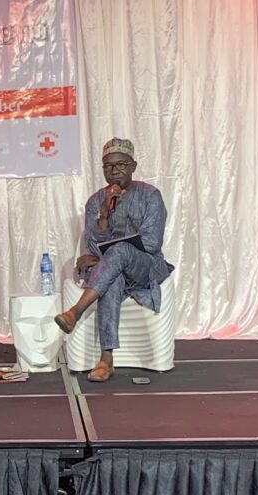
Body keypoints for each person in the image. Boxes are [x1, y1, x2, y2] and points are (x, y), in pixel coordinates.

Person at [54, 137, 174, 382]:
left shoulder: (150, 196)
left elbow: (151, 242)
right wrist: (105, 213)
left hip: (147, 266)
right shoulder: (96, 202)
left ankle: (75, 312)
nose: (114, 171)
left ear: (133, 166)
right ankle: (105, 360)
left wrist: (109, 254)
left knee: (118, 253)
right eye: (108, 166)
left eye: (121, 165)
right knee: (113, 278)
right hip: (111, 268)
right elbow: (91, 246)